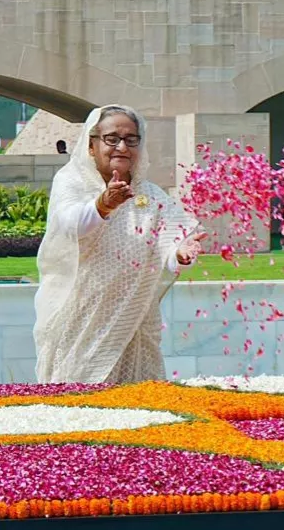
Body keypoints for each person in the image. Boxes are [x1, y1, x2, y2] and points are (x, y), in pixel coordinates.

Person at [33, 104, 205, 384]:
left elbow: (173, 243)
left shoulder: (150, 194)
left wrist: (182, 254)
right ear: (92, 145)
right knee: (78, 401)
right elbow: (68, 226)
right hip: (82, 318)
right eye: (111, 139)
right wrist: (103, 204)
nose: (122, 147)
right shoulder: (71, 182)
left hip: (134, 321)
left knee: (139, 405)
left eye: (131, 139)